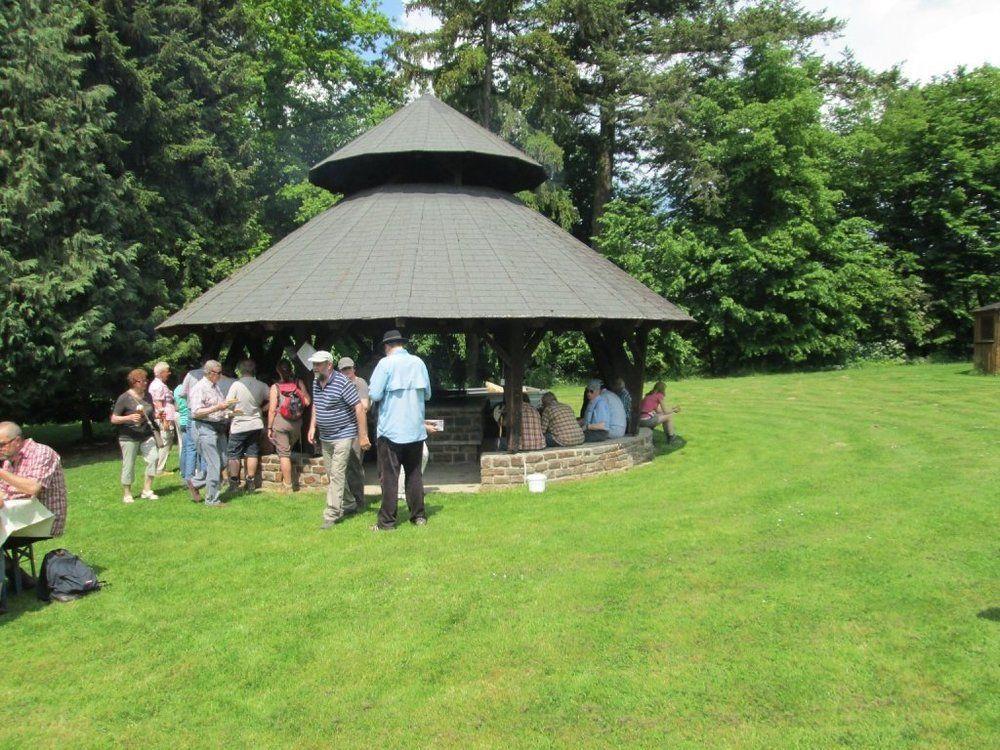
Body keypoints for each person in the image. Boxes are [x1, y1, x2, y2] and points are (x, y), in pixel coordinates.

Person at [368, 330, 431, 531]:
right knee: (414, 475)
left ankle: (387, 522)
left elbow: (375, 394)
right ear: (402, 344)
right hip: (415, 429)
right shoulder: (419, 363)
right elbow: (428, 394)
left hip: (391, 431)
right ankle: (418, 517)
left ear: (387, 347)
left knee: (389, 477)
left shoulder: (385, 364)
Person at [307, 351, 370, 529]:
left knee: (337, 473)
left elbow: (358, 407)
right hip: (326, 436)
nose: (315, 368)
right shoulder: (316, 382)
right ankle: (349, 502)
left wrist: (363, 435)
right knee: (331, 472)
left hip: (344, 434)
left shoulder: (343, 382)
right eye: (314, 364)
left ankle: (331, 514)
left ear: (329, 365)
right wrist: (312, 426)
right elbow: (317, 405)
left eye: (318, 364)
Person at [0, 422, 68, 535]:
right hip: (15, 515)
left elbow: (33, 488)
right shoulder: (9, 459)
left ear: (17, 441)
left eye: (2, 444)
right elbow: (3, 490)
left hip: (43, 520)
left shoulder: (42, 453)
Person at [187, 360, 237, 506]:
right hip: (204, 428)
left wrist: (229, 413)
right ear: (209, 373)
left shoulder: (216, 387)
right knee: (214, 463)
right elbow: (196, 412)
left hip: (218, 427)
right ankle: (212, 499)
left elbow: (219, 408)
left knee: (223, 460)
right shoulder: (199, 388)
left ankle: (195, 482)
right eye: (218, 373)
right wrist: (217, 408)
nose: (221, 376)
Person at [111, 368, 160, 503]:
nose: (145, 383)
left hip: (146, 434)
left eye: (146, 380)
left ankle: (147, 490)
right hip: (128, 436)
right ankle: (127, 493)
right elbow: (114, 418)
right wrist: (129, 418)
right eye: (142, 381)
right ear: (134, 382)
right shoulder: (124, 398)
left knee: (154, 458)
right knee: (129, 464)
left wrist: (158, 415)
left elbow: (151, 413)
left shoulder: (148, 396)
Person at [226, 359, 269, 494]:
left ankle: (234, 482)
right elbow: (275, 398)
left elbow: (229, 404)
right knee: (252, 452)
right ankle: (250, 481)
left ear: (241, 369)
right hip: (256, 423)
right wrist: (262, 409)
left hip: (239, 424)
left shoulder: (236, 385)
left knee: (234, 454)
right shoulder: (261, 385)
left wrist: (230, 413)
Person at [267, 360, 311, 491]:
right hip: (297, 423)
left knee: (284, 454)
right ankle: (290, 478)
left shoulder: (275, 387)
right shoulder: (299, 383)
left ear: (278, 371)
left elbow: (272, 409)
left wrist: (269, 427)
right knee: (288, 450)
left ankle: (287, 485)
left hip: (281, 422)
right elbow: (307, 401)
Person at [339, 356, 370, 508]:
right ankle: (345, 500)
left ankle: (358, 501)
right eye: (343, 369)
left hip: (357, 431)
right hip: (340, 430)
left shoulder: (360, 383)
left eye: (348, 369)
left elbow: (364, 406)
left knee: (355, 466)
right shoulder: (337, 384)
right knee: (341, 467)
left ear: (353, 369)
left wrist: (344, 406)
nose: (346, 372)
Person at [148, 362, 178, 474]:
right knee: (165, 442)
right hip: (164, 419)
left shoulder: (159, 384)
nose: (169, 373)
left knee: (167, 442)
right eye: (167, 371)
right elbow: (158, 404)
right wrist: (164, 420)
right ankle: (160, 469)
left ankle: (161, 467)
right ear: (161, 373)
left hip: (167, 417)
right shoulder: (158, 386)